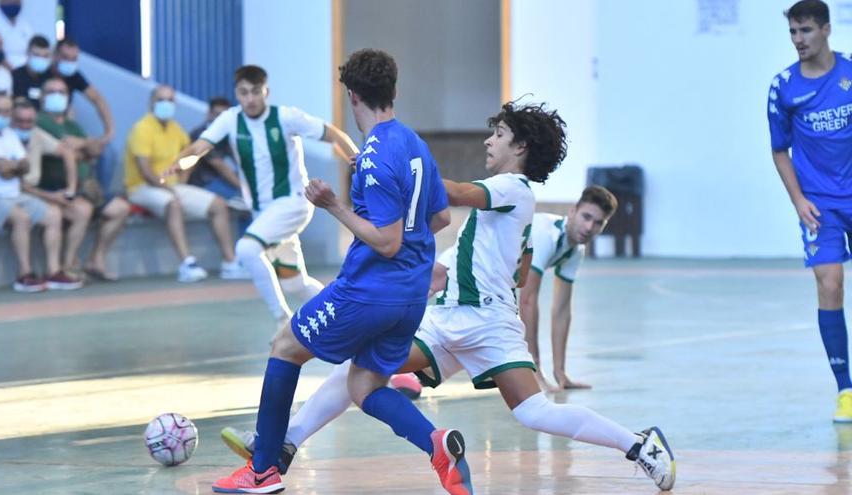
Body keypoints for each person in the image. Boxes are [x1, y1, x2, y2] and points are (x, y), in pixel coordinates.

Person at [221, 101, 676, 492]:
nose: (488, 142)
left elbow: (450, 193)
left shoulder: (511, 188)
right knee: (369, 371)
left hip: (473, 319)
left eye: (498, 134)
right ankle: (286, 444)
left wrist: (398, 159)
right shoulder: (515, 205)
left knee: (366, 371)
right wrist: (441, 271)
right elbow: (497, 258)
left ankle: (286, 443)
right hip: (471, 319)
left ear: (520, 148)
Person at [210, 49, 467, 495]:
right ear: (394, 92)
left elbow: (385, 241)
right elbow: (440, 219)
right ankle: (436, 444)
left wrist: (334, 206)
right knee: (365, 385)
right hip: (410, 295)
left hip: (370, 290)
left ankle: (262, 470)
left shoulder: (373, 156)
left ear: (352, 96)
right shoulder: (415, 145)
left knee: (286, 345)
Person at [171, 65, 358, 326]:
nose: (250, 99)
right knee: (295, 284)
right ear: (237, 93)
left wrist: (357, 160)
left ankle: (283, 322)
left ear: (265, 91)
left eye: (255, 92)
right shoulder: (230, 119)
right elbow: (201, 146)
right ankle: (349, 315)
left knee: (246, 248)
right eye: (243, 92)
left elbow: (334, 135)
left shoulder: (286, 117)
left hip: (293, 202)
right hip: (265, 212)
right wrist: (182, 162)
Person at [769, 0, 852, 422]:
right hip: (821, 204)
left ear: (826, 30)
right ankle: (846, 391)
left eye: (806, 31)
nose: (799, 40)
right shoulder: (783, 87)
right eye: (793, 33)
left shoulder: (851, 74)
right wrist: (799, 200)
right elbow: (779, 151)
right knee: (831, 284)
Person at [125, 84, 240, 282]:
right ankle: (187, 264)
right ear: (151, 103)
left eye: (170, 100)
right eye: (161, 99)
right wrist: (169, 189)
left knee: (219, 205)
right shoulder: (141, 128)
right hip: (141, 187)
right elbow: (145, 171)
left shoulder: (175, 129)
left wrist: (183, 181)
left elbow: (190, 155)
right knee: (173, 204)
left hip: (172, 186)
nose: (166, 104)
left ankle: (230, 263)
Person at [20, 82, 131, 280]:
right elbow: (67, 149)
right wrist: (83, 148)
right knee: (82, 210)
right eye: (51, 92)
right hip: (53, 187)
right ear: (42, 97)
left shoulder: (73, 125)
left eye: (62, 92)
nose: (57, 96)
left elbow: (95, 150)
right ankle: (68, 264)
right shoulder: (40, 122)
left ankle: (95, 259)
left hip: (85, 187)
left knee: (120, 209)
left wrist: (83, 145)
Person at [0, 92, 80, 291]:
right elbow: (3, 171)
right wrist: (14, 166)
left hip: (13, 194)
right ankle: (24, 275)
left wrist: (12, 166)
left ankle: (53, 272)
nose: (2, 115)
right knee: (21, 218)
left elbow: (25, 166)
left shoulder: (9, 134)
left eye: (6, 111)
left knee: (53, 214)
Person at [519, 187, 617, 391]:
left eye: (598, 222)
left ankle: (559, 374)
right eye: (586, 217)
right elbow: (527, 300)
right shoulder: (545, 234)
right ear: (573, 211)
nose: (589, 227)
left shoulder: (575, 250)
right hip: (461, 271)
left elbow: (562, 310)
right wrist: (535, 369)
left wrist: (559, 372)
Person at [51, 38, 115, 146]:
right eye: (65, 57)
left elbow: (97, 99)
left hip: (63, 122)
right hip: (42, 123)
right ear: (55, 55)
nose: (69, 62)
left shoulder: (73, 76)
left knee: (95, 148)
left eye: (73, 59)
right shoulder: (42, 73)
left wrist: (109, 132)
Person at [187, 96, 244, 206]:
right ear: (209, 114)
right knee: (243, 200)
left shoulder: (227, 134)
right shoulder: (202, 136)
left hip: (226, 180)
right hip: (205, 183)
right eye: (217, 114)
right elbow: (219, 165)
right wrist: (243, 187)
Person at [11, 35, 50, 109]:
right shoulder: (15, 76)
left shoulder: (51, 77)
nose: (41, 59)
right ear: (27, 53)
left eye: (45, 56)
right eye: (37, 55)